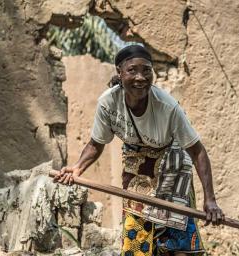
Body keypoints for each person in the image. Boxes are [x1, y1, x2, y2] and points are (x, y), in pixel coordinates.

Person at [54, 45, 223, 255]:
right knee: (137, 234)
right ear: (120, 72)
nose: (140, 77)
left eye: (146, 70)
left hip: (171, 162)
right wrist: (77, 168)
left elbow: (198, 152)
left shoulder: (167, 107)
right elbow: (96, 143)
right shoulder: (108, 103)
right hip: (137, 166)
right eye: (132, 70)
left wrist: (210, 200)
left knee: (177, 232)